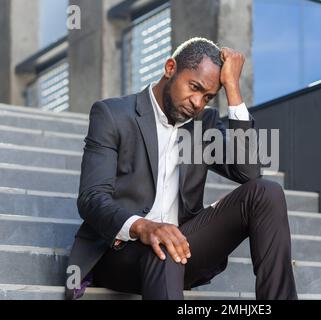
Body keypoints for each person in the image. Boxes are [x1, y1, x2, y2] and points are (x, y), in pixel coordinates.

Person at [65, 37, 297, 300]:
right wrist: (144, 227)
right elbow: (91, 199)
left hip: (181, 244)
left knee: (266, 193)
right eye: (194, 87)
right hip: (120, 251)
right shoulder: (113, 115)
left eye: (208, 97)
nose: (198, 102)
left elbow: (249, 172)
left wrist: (232, 87)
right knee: (164, 249)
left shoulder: (203, 123)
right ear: (170, 67)